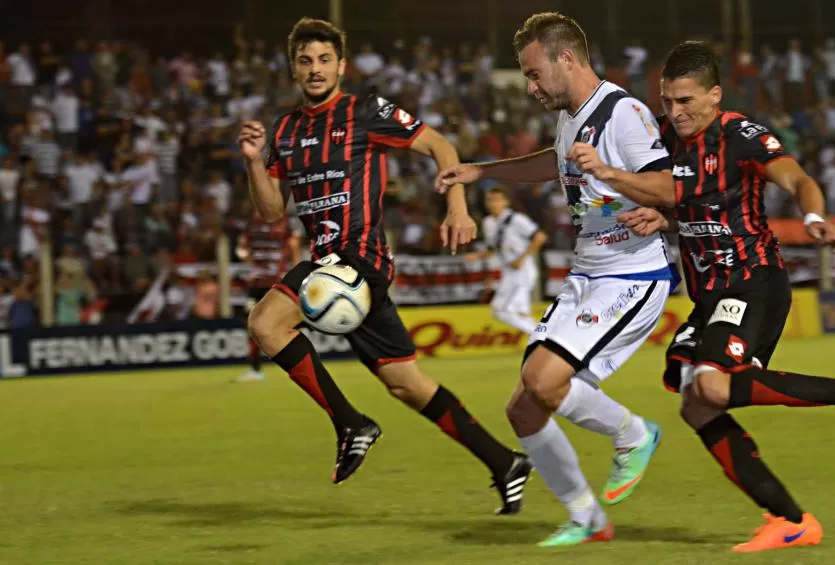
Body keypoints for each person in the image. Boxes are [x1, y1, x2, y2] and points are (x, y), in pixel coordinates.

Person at [616, 40, 835, 553]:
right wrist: (662, 217)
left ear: (714, 94)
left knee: (712, 385)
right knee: (697, 406)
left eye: (685, 101)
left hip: (754, 281)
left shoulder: (743, 136)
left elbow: (797, 179)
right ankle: (790, 519)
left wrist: (815, 216)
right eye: (667, 101)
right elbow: (687, 199)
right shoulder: (665, 140)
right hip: (708, 295)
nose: (675, 112)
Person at [237, 17, 532, 514]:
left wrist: (457, 206)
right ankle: (505, 462)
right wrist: (251, 160)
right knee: (407, 385)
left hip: (361, 259)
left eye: (325, 59)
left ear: (342, 66)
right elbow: (270, 211)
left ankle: (350, 424)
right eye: (306, 60)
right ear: (293, 68)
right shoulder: (285, 130)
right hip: (328, 266)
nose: (315, 69)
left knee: (265, 322)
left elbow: (440, 145)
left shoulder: (365, 111)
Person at [437, 12, 673, 546]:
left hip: (631, 273)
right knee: (522, 406)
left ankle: (634, 434)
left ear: (567, 59)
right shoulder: (572, 115)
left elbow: (666, 183)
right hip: (586, 274)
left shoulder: (623, 112)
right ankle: (586, 516)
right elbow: (555, 162)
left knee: (545, 383)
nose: (531, 86)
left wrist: (621, 183)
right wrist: (483, 171)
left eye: (534, 72)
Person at [463, 186, 546, 334]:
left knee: (504, 311)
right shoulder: (488, 223)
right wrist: (477, 256)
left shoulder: (517, 219)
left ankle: (543, 337)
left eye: (496, 200)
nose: (492, 203)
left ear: (506, 202)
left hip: (522, 271)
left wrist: (522, 258)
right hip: (508, 272)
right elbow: (494, 248)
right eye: (489, 200)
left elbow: (540, 237)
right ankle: (542, 338)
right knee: (511, 312)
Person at [233, 209, 301, 383]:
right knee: (252, 323)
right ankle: (255, 369)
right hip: (256, 282)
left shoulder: (284, 221)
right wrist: (248, 258)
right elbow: (243, 247)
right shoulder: (252, 224)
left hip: (277, 280)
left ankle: (297, 363)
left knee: (287, 322)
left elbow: (293, 245)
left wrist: (296, 271)